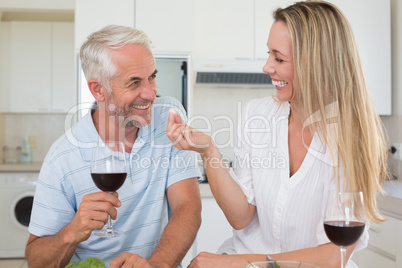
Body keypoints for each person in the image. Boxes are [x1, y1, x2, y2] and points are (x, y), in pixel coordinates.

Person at [166, 1, 389, 267]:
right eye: (269, 54)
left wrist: (243, 263)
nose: (267, 67)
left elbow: (333, 254)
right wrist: (209, 151)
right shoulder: (256, 115)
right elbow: (241, 217)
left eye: (279, 58)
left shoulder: (352, 137)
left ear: (315, 64)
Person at [25, 25, 202, 268]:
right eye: (134, 83)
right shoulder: (62, 157)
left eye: (152, 77)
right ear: (98, 89)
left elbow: (187, 206)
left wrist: (156, 265)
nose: (151, 93)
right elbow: (36, 260)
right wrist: (72, 232)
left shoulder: (168, 118)